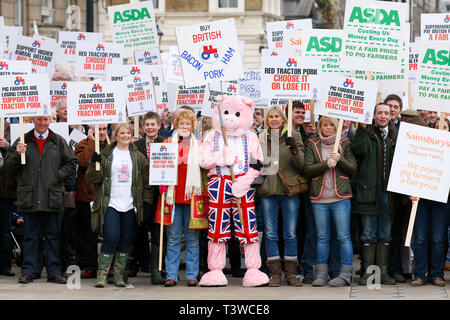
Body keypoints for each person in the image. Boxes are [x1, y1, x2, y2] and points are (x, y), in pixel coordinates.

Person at [5, 115, 77, 284]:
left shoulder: (57, 141)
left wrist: (57, 176)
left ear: (49, 121)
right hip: (30, 196)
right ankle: (29, 270)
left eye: (45, 120)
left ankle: (53, 271)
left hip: (52, 196)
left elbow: (71, 163)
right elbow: (9, 166)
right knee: (31, 236)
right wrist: (17, 153)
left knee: (53, 237)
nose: (43, 123)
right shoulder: (22, 141)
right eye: (39, 120)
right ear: (33, 121)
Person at [85, 124, 151, 288]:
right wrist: (94, 165)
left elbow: (146, 181)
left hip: (130, 204)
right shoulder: (106, 155)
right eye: (122, 133)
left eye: (128, 133)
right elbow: (92, 178)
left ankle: (120, 276)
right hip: (111, 203)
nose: (126, 135)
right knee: (111, 238)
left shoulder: (138, 157)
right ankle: (102, 276)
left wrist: (145, 202)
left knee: (125, 241)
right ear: (115, 135)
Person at [305, 116, 357, 287]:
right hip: (319, 198)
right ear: (320, 127)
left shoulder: (345, 143)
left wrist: (340, 159)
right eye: (324, 125)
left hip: (340, 197)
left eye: (331, 125)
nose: (328, 128)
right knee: (322, 237)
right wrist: (326, 164)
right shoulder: (313, 143)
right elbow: (308, 169)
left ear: (336, 127)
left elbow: (352, 169)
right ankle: (321, 274)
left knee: (343, 236)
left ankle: (345, 274)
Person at [351, 103, 399, 285]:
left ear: (391, 116)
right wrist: (362, 130)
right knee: (368, 234)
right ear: (373, 115)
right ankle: (369, 274)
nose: (383, 116)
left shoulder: (396, 135)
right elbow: (358, 150)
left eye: (386, 113)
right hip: (368, 192)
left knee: (385, 234)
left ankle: (383, 273)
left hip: (388, 194)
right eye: (379, 113)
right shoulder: (367, 133)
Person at [257, 106, 305, 287]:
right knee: (270, 233)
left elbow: (301, 165)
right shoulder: (262, 137)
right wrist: (255, 166)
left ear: (284, 119)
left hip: (289, 191)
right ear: (267, 119)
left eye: (277, 116)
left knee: (290, 233)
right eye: (271, 116)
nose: (274, 119)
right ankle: (275, 273)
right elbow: (256, 161)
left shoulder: (294, 135)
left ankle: (291, 273)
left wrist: (294, 149)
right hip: (268, 190)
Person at [158, 109, 205, 287]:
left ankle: (192, 275)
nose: (185, 126)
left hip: (193, 197)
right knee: (173, 238)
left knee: (193, 238)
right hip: (172, 197)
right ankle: (171, 275)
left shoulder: (199, 146)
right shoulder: (167, 143)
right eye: (182, 123)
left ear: (193, 126)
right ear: (176, 124)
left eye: (188, 123)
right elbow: (158, 166)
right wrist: (161, 181)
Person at [409, 117, 449, 287]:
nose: (441, 130)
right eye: (438, 127)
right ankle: (419, 274)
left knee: (438, 239)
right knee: (420, 238)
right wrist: (410, 190)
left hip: (443, 200)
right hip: (422, 199)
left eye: (445, 127)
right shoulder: (422, 148)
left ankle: (437, 274)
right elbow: (409, 168)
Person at [133, 111, 165, 283]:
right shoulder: (136, 145)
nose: (150, 127)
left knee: (159, 230)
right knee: (139, 227)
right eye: (147, 124)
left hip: (161, 194)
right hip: (141, 194)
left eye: (153, 124)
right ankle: (135, 264)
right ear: (142, 127)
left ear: (159, 126)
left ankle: (158, 269)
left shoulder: (166, 144)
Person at [74, 124, 109, 279]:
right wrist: (91, 142)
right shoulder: (82, 144)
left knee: (109, 232)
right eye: (97, 130)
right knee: (88, 235)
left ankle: (108, 265)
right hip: (87, 196)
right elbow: (83, 162)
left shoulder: (112, 145)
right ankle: (90, 266)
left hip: (108, 196)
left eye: (103, 129)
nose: (101, 132)